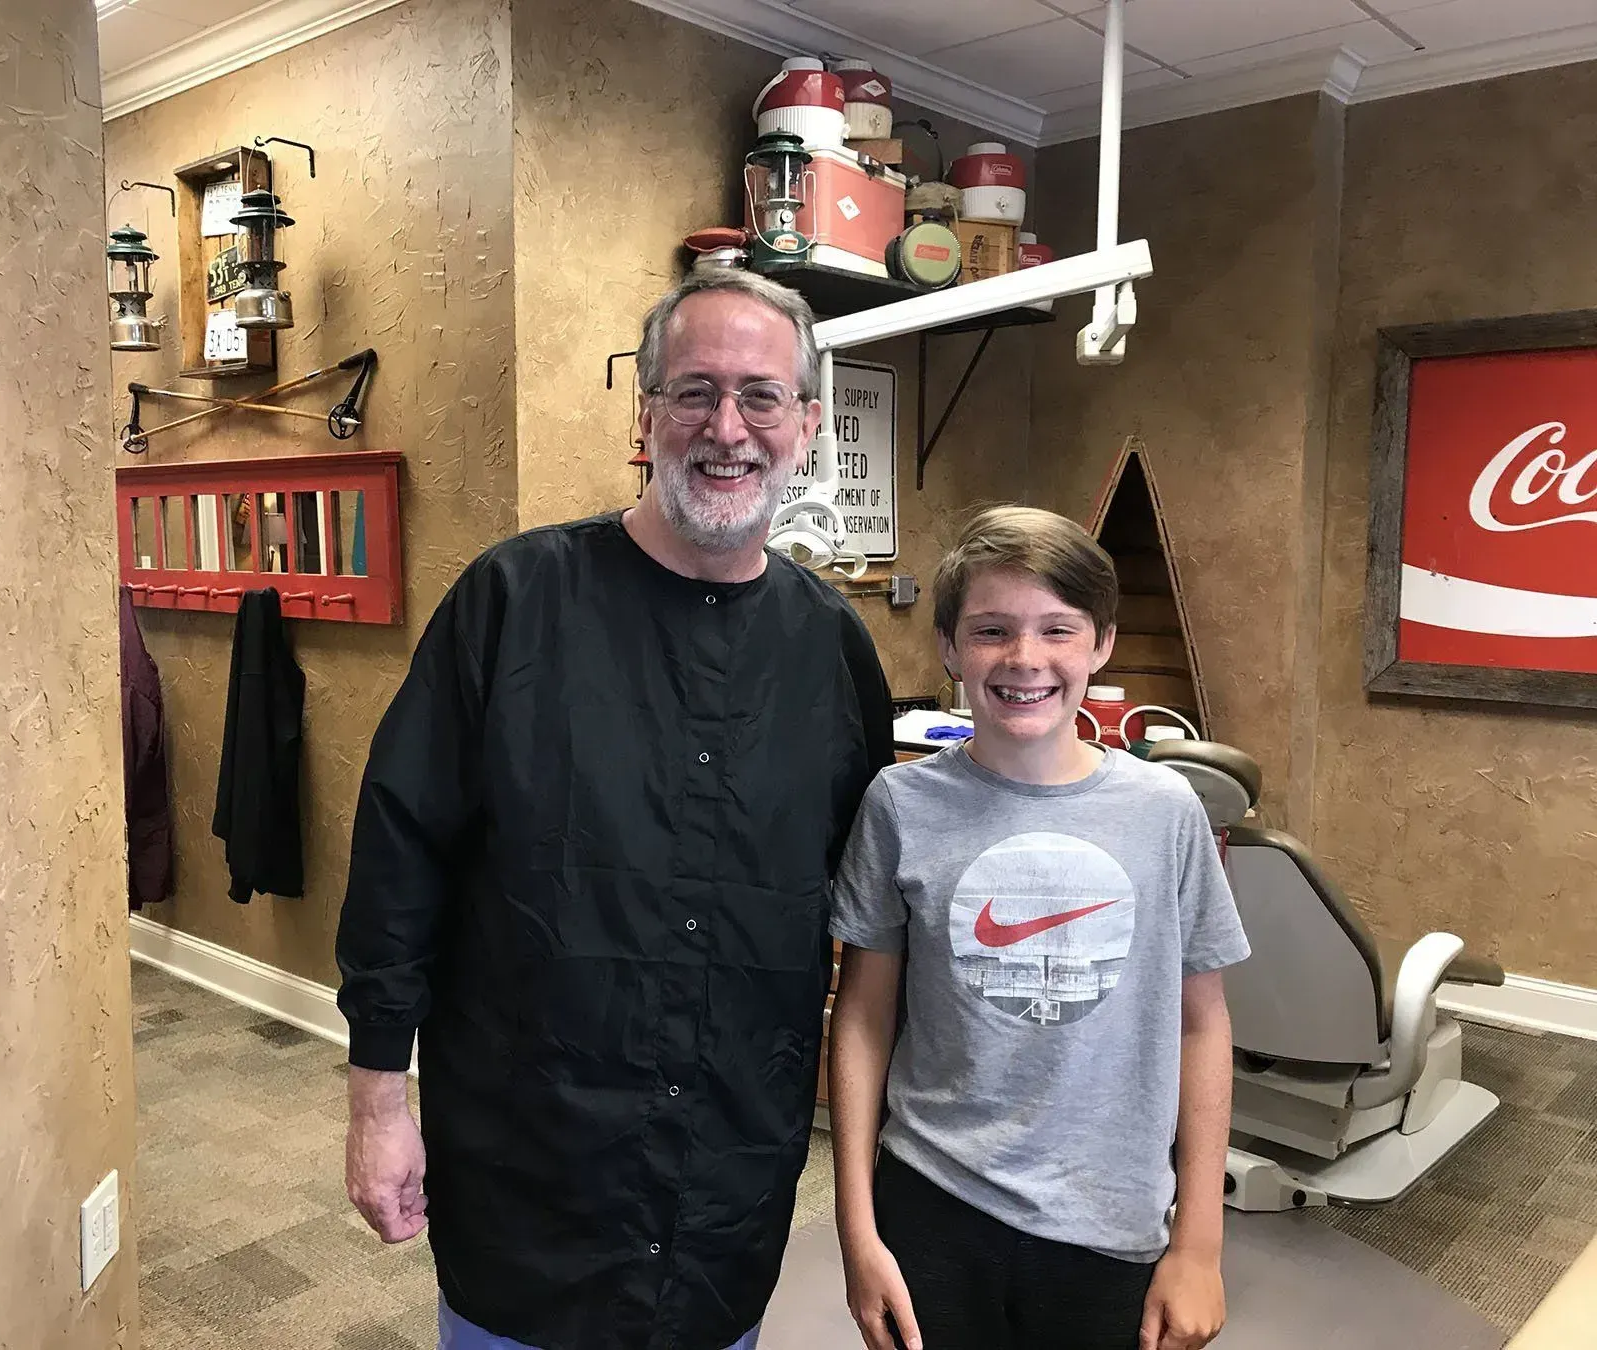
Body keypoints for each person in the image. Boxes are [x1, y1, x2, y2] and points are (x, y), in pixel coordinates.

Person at [335, 269, 894, 1350]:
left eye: (762, 397)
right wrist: (377, 1106)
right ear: (645, 415)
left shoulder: (832, 651)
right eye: (693, 391)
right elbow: (399, 863)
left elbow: (867, 905)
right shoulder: (511, 604)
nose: (726, 427)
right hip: (525, 1167)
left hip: (723, 1179)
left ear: (807, 424)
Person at [827, 505, 1248, 1350]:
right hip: (933, 1200)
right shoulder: (901, 805)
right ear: (948, 647)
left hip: (1108, 1220)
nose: (1025, 659)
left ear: (1101, 644)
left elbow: (1201, 1023)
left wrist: (1200, 1243)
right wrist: (856, 1231)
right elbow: (863, 1018)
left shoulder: (1164, 812)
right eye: (991, 630)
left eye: (1059, 629)